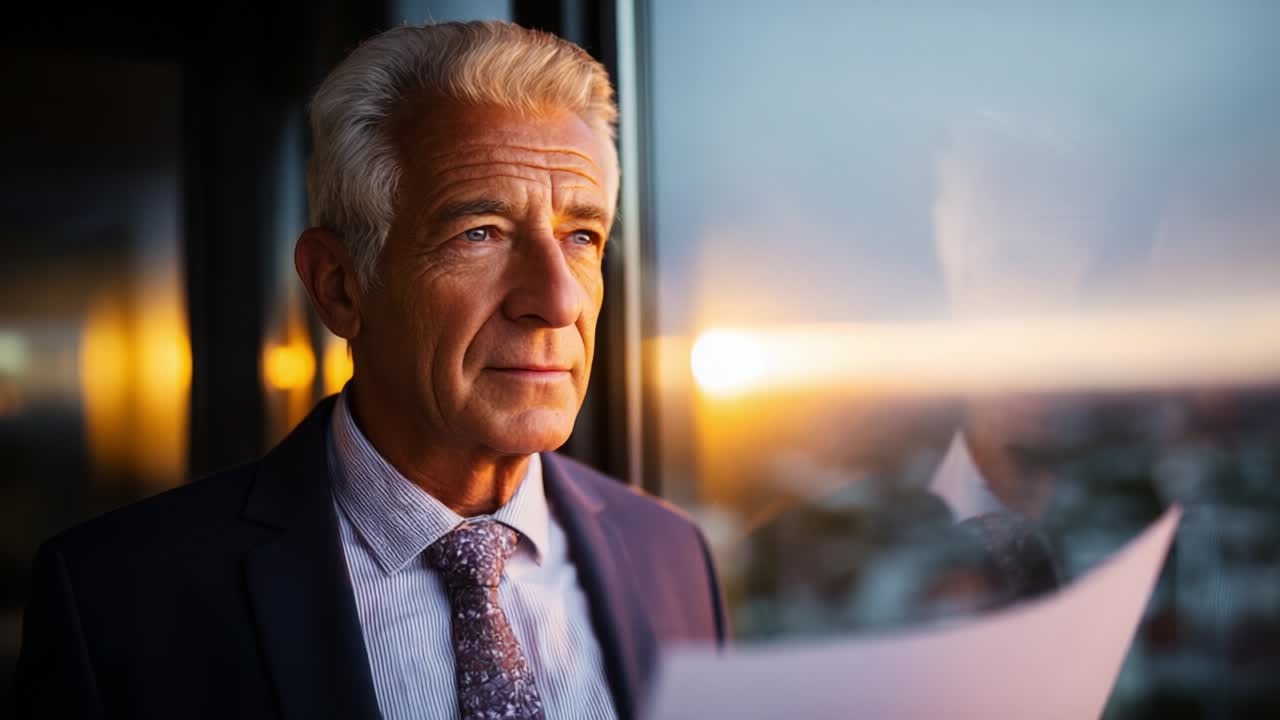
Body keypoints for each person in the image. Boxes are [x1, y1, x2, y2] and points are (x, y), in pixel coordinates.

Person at [11, 21, 726, 720]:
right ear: (339, 285)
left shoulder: (672, 555)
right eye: (480, 233)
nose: (558, 299)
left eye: (582, 236)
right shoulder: (118, 599)